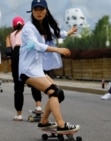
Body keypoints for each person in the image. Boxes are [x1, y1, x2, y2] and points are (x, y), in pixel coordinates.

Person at [19, 0, 80, 133]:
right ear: (32, 11)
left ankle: (44, 121)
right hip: (28, 70)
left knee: (59, 94)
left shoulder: (43, 26)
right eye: (36, 9)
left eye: (42, 9)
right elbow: (36, 45)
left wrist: (68, 33)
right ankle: (61, 125)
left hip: (37, 69)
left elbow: (56, 33)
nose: (39, 12)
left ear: (46, 11)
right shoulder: (28, 28)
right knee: (53, 92)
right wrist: (57, 50)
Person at [6, 16, 42, 121]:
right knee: (34, 81)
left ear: (13, 25)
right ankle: (38, 106)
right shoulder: (28, 31)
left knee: (18, 87)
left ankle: (19, 114)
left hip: (16, 55)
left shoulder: (10, 35)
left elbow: (8, 52)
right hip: (28, 54)